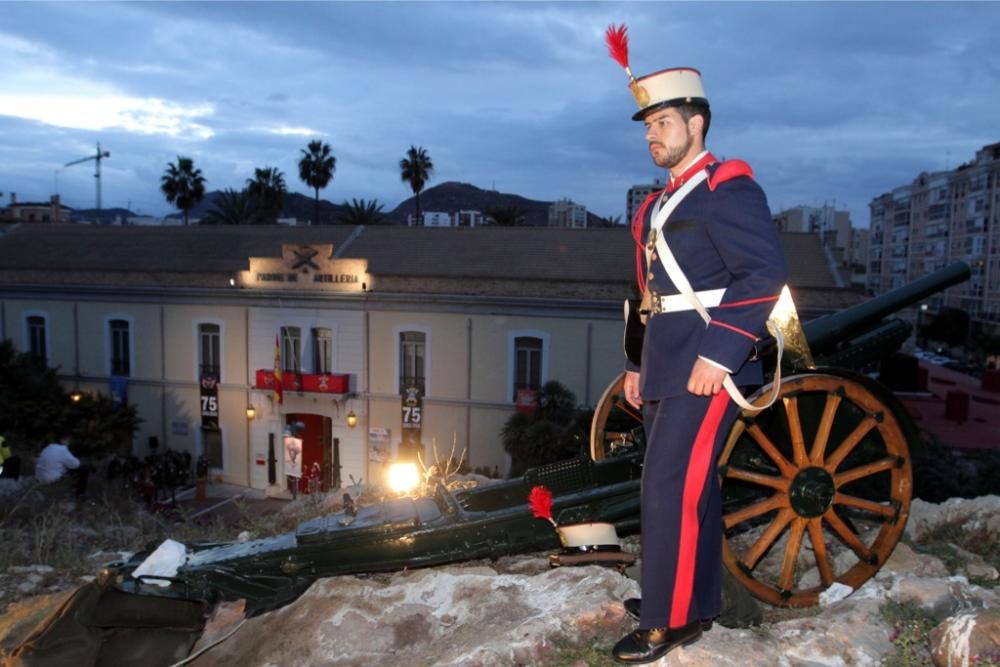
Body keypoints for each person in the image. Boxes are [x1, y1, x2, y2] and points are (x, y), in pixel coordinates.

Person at [605, 25, 789, 664]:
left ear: (697, 122)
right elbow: (650, 292)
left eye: (663, 121)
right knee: (690, 488)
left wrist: (719, 356)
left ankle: (666, 620)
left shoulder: (727, 188)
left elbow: (762, 275)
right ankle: (690, 599)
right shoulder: (659, 203)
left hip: (709, 364)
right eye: (646, 124)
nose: (651, 133)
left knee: (668, 488)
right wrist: (636, 362)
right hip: (667, 362)